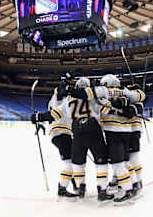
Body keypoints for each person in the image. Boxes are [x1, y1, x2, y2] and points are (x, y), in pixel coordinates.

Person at [31, 77, 133, 203]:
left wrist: (38, 116)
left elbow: (55, 114)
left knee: (78, 163)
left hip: (77, 132)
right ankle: (102, 191)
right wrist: (123, 111)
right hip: (93, 130)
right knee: (100, 162)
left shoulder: (68, 100)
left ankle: (80, 189)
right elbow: (105, 109)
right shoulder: (92, 96)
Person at [98, 74, 138, 203]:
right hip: (127, 131)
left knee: (117, 163)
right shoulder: (124, 94)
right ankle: (134, 183)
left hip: (113, 132)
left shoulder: (104, 95)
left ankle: (128, 190)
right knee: (125, 161)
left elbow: (102, 110)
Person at [46, 87, 78, 200]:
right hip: (60, 132)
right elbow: (59, 92)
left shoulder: (61, 101)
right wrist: (65, 85)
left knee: (72, 160)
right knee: (69, 162)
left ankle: (73, 183)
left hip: (62, 133)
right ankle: (62, 188)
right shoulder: (58, 99)